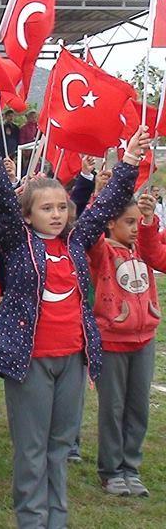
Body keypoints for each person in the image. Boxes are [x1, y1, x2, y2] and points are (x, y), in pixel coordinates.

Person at [0, 125, 146, 529]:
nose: (56, 215)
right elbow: (1, 196)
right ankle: (33, 520)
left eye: (61, 208)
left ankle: (57, 520)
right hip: (30, 361)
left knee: (59, 446)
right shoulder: (17, 241)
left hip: (72, 360)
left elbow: (104, 206)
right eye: (46, 208)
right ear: (29, 214)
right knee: (32, 449)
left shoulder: (74, 242)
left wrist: (131, 162)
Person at [88, 193, 164, 497]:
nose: (134, 228)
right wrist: (102, 197)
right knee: (113, 407)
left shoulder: (143, 250)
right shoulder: (102, 252)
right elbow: (90, 235)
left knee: (138, 408)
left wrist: (148, 222)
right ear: (110, 223)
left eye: (137, 222)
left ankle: (131, 468)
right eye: (128, 222)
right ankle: (111, 470)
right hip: (112, 341)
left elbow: (156, 253)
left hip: (144, 340)